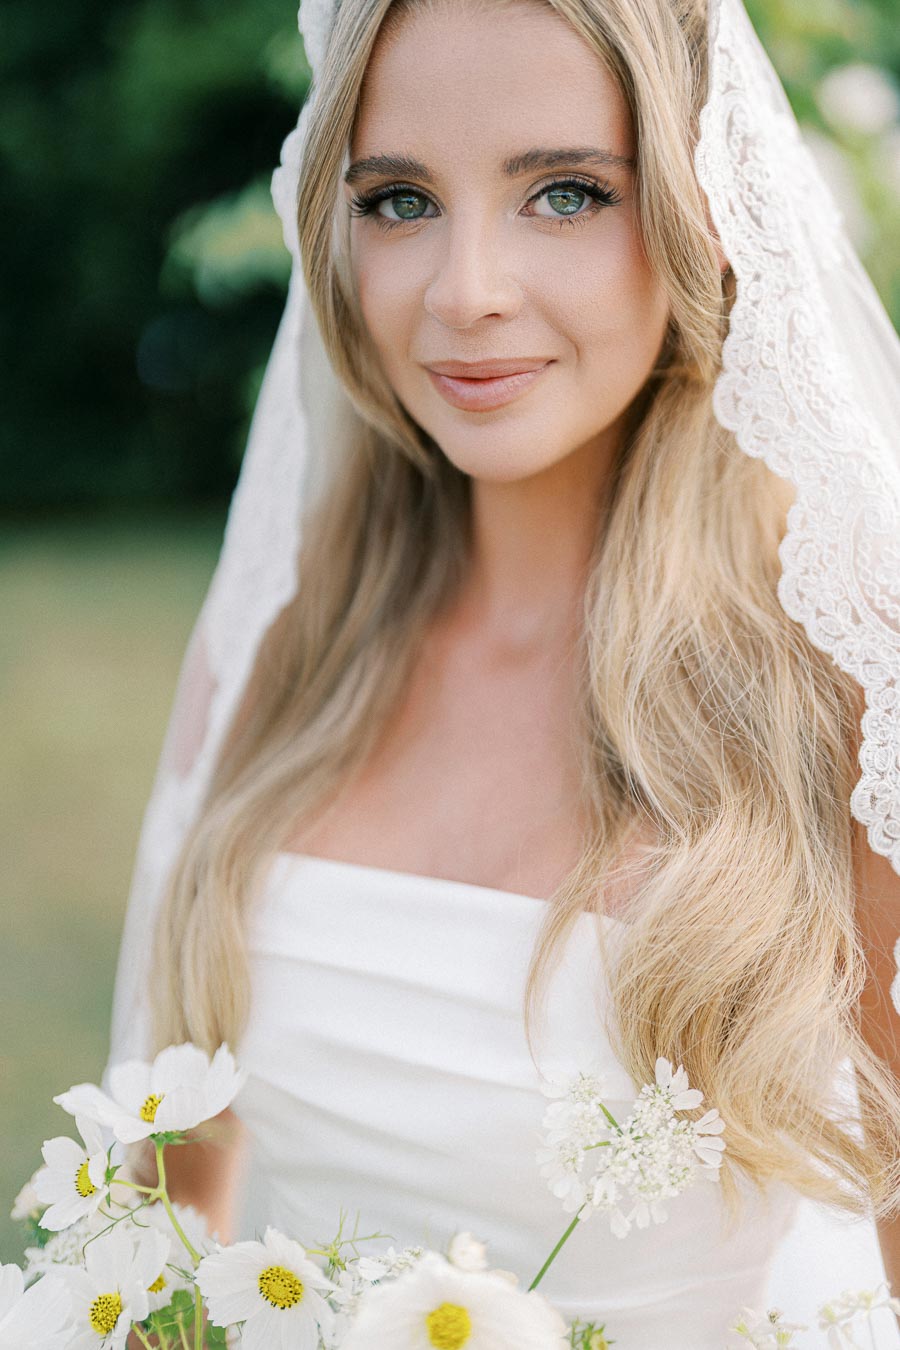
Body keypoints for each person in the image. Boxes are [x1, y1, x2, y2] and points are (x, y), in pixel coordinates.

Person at [107, 0, 900, 1344]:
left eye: (567, 193)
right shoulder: (288, 650)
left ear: (705, 213)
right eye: (401, 199)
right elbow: (165, 1237)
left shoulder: (841, 686)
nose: (464, 286)